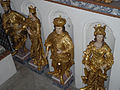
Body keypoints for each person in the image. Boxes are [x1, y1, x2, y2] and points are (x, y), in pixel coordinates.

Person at [80, 24, 114, 90]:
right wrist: (86, 63)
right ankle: (89, 87)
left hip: (101, 64)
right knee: (91, 77)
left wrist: (104, 66)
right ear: (95, 36)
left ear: (103, 37)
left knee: (100, 79)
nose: (100, 39)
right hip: (93, 63)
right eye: (98, 37)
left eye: (101, 37)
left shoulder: (105, 47)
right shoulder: (92, 45)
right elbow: (87, 54)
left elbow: (110, 58)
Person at [45, 16, 74, 85]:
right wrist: (47, 49)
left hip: (64, 56)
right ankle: (56, 71)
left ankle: (61, 75)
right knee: (54, 64)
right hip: (55, 54)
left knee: (63, 66)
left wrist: (63, 51)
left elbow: (71, 47)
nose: (57, 30)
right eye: (56, 28)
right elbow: (48, 41)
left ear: (62, 28)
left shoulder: (66, 37)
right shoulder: (53, 34)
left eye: (59, 28)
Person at [22, 5, 48, 70]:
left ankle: (39, 62)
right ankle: (35, 59)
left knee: (37, 50)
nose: (29, 15)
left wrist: (30, 32)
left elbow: (38, 33)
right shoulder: (29, 19)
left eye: (30, 14)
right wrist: (24, 26)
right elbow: (26, 23)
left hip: (36, 38)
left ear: (34, 14)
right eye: (29, 14)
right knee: (33, 48)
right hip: (31, 38)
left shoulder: (37, 22)